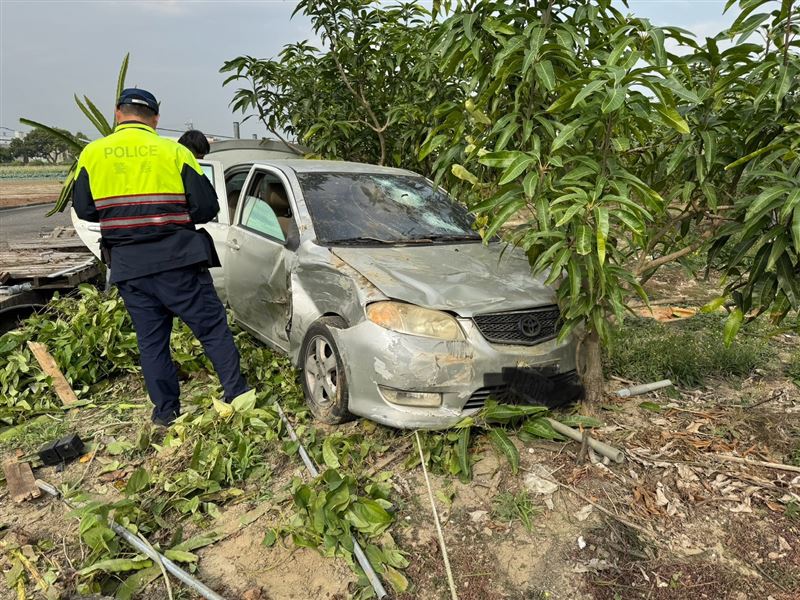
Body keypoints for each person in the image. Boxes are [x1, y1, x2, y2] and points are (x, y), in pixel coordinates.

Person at [72, 88, 249, 426]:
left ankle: (166, 413)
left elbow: (85, 209)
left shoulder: (92, 154)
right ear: (155, 118)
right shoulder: (175, 151)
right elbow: (206, 207)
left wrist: (123, 218)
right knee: (212, 329)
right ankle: (238, 396)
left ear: (117, 113)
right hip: (179, 260)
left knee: (152, 342)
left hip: (129, 267)